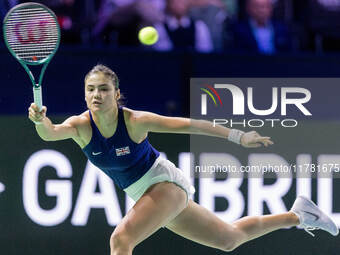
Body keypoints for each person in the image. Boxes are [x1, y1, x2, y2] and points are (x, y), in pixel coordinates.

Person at [28, 64, 338, 255]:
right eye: (90, 89)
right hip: (146, 194)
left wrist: (238, 136)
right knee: (228, 239)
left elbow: (190, 124)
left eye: (104, 89)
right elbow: (51, 133)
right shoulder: (81, 126)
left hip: (164, 185)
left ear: (116, 93)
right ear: (84, 94)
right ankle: (300, 215)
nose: (96, 94)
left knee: (121, 240)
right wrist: (40, 120)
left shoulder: (135, 121)